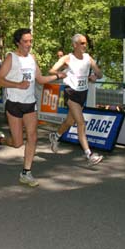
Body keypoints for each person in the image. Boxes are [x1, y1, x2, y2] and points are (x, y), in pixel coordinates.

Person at [0, 28, 64, 187]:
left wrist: (57, 76)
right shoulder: (11, 57)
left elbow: (40, 79)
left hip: (30, 104)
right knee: (17, 143)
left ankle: (26, 172)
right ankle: (0, 140)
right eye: (26, 41)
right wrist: (18, 85)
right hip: (14, 104)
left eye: (30, 41)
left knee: (33, 137)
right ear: (18, 42)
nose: (29, 44)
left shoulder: (32, 58)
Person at [48, 34, 104, 166]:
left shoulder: (88, 58)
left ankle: (55, 136)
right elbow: (51, 70)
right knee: (81, 123)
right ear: (75, 45)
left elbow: (100, 73)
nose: (85, 46)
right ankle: (89, 155)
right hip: (71, 92)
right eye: (82, 43)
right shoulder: (67, 58)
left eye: (85, 43)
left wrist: (94, 76)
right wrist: (59, 74)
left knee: (69, 121)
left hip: (82, 93)